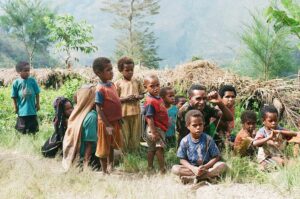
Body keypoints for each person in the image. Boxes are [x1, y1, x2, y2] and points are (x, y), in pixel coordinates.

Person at [171, 110, 227, 184]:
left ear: (204, 124)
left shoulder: (208, 139)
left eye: (200, 124)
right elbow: (182, 159)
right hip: (192, 168)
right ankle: (207, 177)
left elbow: (216, 157)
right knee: (175, 169)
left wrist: (206, 166)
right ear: (188, 126)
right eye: (194, 125)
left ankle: (196, 178)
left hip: (207, 168)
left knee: (222, 165)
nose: (198, 127)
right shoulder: (185, 141)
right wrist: (193, 168)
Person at [93, 57, 123, 174]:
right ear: (98, 73)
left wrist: (119, 118)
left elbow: (115, 101)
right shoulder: (100, 89)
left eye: (112, 69)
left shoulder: (112, 85)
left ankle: (111, 166)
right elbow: (99, 109)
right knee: (103, 147)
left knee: (111, 145)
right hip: (105, 123)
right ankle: (104, 171)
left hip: (114, 121)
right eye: (108, 70)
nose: (112, 72)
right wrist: (107, 125)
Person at [62, 84, 99, 171]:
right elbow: (89, 144)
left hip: (73, 155)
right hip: (88, 158)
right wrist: (86, 165)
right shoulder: (91, 116)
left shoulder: (75, 114)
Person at [253, 105, 300, 170]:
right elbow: (255, 143)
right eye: (270, 121)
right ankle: (262, 167)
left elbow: (296, 134)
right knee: (282, 162)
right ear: (263, 121)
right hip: (266, 158)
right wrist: (268, 138)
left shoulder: (279, 129)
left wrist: (280, 132)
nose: (274, 123)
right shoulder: (262, 131)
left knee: (294, 162)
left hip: (278, 156)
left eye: (275, 120)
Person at [115, 57, 144, 151]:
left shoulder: (137, 81)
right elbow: (115, 99)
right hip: (123, 113)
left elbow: (142, 94)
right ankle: (125, 153)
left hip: (136, 112)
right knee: (125, 134)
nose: (130, 72)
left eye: (132, 70)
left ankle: (135, 151)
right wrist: (125, 99)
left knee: (136, 133)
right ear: (121, 71)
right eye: (127, 70)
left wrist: (137, 97)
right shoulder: (118, 83)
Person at [144, 75, 169, 173]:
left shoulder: (158, 98)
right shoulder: (150, 101)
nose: (155, 88)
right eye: (152, 86)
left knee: (152, 149)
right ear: (146, 88)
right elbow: (149, 117)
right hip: (155, 128)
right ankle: (162, 169)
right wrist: (154, 132)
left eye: (157, 85)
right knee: (159, 148)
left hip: (155, 128)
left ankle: (150, 167)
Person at [11, 61, 40, 134]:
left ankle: (33, 135)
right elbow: (14, 96)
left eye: (28, 71)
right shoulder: (16, 83)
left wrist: (38, 103)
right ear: (19, 71)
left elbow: (37, 93)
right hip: (22, 110)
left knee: (33, 126)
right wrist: (15, 107)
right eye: (25, 71)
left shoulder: (32, 81)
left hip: (32, 109)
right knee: (22, 126)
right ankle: (22, 136)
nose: (27, 72)